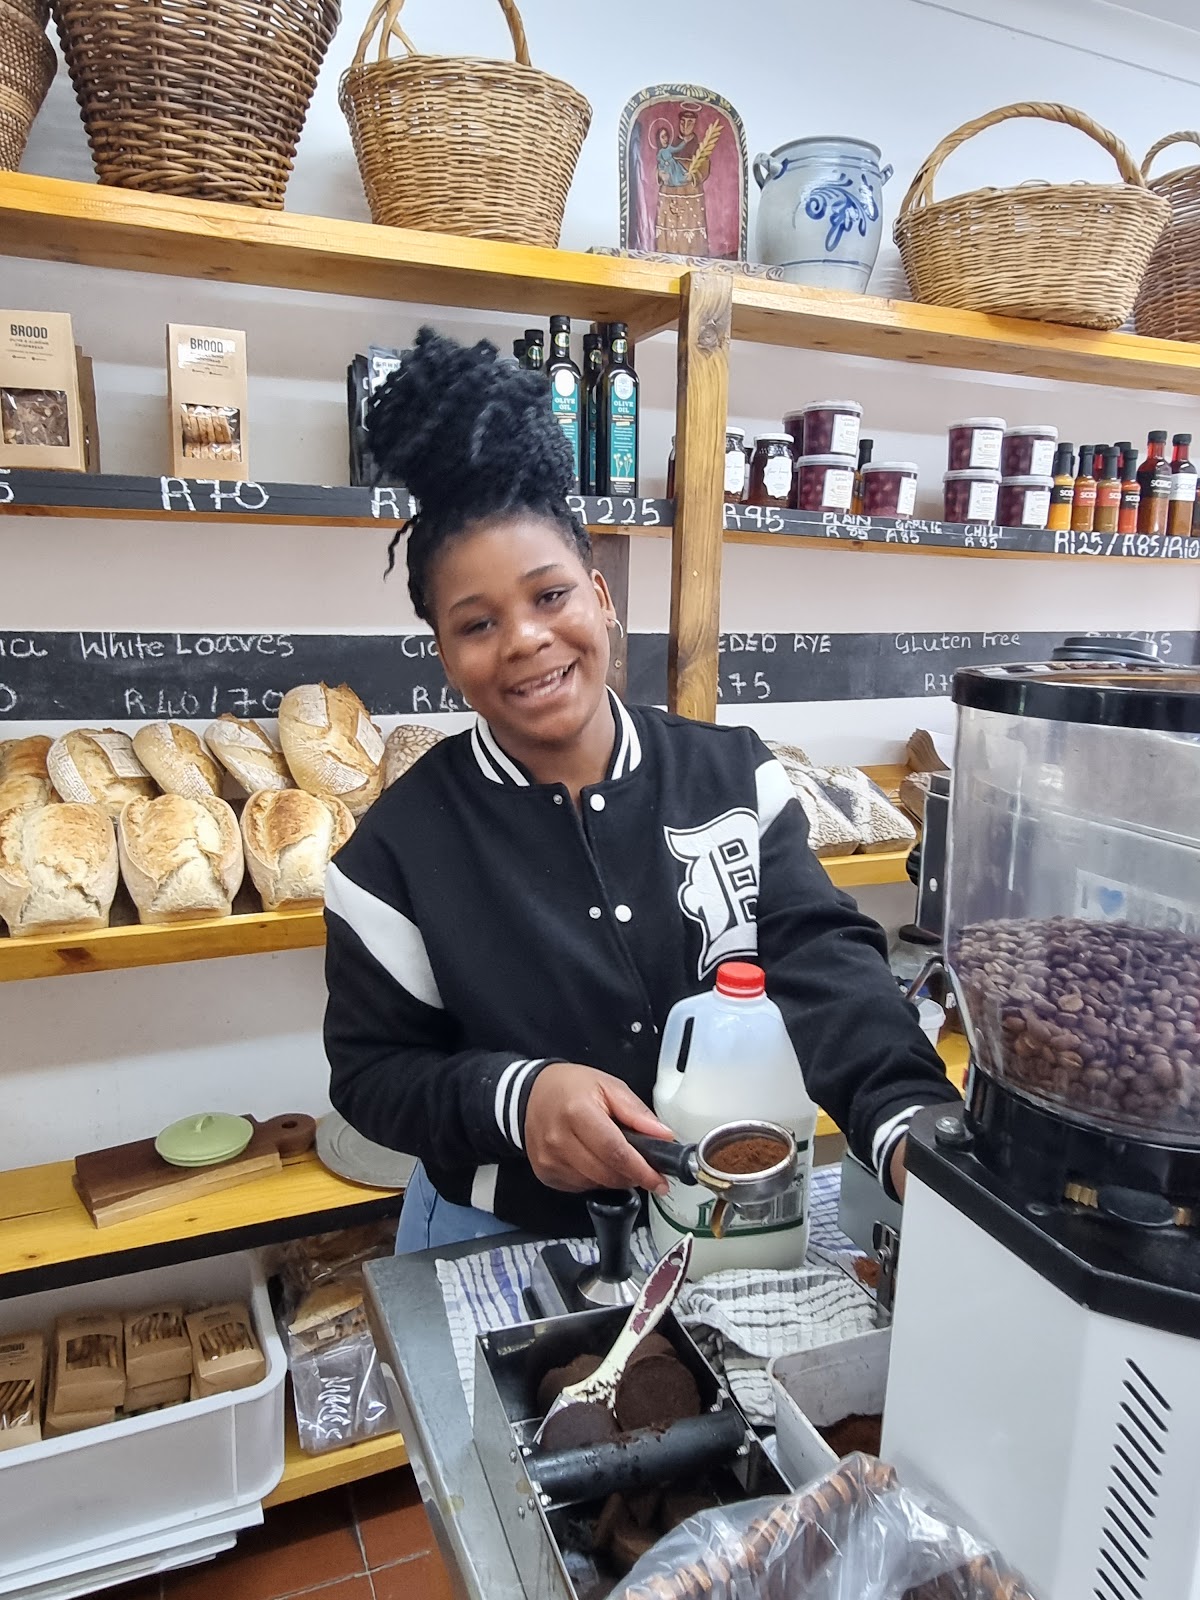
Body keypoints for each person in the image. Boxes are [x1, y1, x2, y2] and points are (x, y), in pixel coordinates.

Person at [323, 329, 960, 1254]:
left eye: (550, 597)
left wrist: (906, 1118)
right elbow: (374, 1074)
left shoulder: (734, 777)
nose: (526, 640)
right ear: (445, 657)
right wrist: (517, 1096)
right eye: (477, 623)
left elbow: (823, 967)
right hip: (495, 1235)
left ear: (601, 598)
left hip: (730, 1219)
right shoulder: (392, 858)